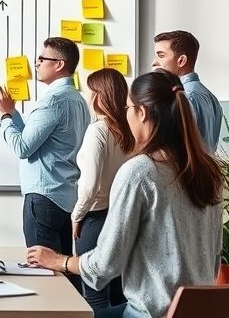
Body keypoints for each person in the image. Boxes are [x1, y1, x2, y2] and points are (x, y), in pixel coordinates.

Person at [26, 70, 224, 318]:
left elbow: (106, 265)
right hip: (198, 312)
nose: (126, 113)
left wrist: (59, 261)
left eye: (128, 107)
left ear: (141, 113)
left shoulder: (140, 172)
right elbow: (215, 258)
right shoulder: (209, 172)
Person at [0, 37, 90, 289]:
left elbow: (22, 147)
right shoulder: (78, 101)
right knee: (63, 276)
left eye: (42, 58)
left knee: (45, 278)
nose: (36, 63)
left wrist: (3, 116)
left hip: (43, 199)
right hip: (65, 198)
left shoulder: (52, 101)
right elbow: (35, 140)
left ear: (59, 64)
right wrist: (13, 113)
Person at [72, 68, 135, 310]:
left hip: (96, 220)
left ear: (99, 96)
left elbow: (89, 186)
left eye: (90, 92)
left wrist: (77, 216)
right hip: (123, 216)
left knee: (95, 294)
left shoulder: (97, 130)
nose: (88, 98)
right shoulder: (131, 130)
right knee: (120, 292)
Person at [152, 30, 222, 153]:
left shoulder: (183, 97)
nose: (154, 62)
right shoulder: (212, 98)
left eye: (161, 55)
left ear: (181, 61)